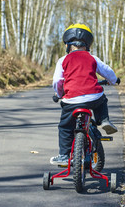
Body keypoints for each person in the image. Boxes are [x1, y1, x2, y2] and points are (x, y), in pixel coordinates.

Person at [50, 23, 119, 166]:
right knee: (102, 100)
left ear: (68, 45)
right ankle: (104, 120)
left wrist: (60, 93)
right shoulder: (92, 57)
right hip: (93, 97)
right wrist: (113, 80)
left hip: (71, 101)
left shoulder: (63, 60)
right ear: (87, 44)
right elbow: (107, 71)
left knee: (65, 127)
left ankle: (63, 155)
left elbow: (57, 80)